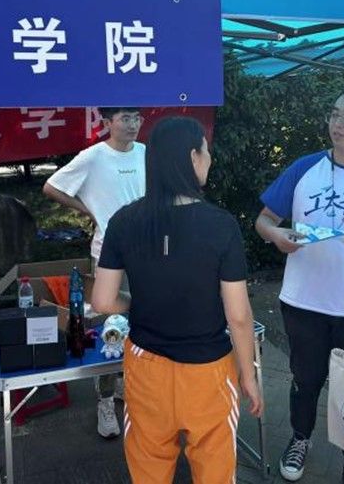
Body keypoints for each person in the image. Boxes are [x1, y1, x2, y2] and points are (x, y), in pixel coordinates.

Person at [91, 116, 263, 484]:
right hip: (209, 371)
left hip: (145, 367)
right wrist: (248, 374)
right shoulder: (221, 225)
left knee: (149, 471)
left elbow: (103, 301)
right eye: (206, 151)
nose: (210, 159)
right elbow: (238, 315)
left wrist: (137, 304)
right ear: (192, 157)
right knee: (215, 472)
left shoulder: (124, 221)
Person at [255, 86, 344, 482]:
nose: (338, 123)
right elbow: (264, 219)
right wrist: (276, 236)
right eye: (334, 113)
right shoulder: (304, 168)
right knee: (306, 378)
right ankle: (300, 438)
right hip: (304, 301)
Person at [42, 107, 145, 438]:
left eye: (137, 117)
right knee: (110, 324)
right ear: (107, 122)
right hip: (109, 254)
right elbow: (52, 187)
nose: (132, 124)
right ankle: (105, 398)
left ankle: (127, 384)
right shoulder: (93, 157)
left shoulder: (146, 153)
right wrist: (89, 209)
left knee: (142, 321)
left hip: (146, 253)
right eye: (125, 118)